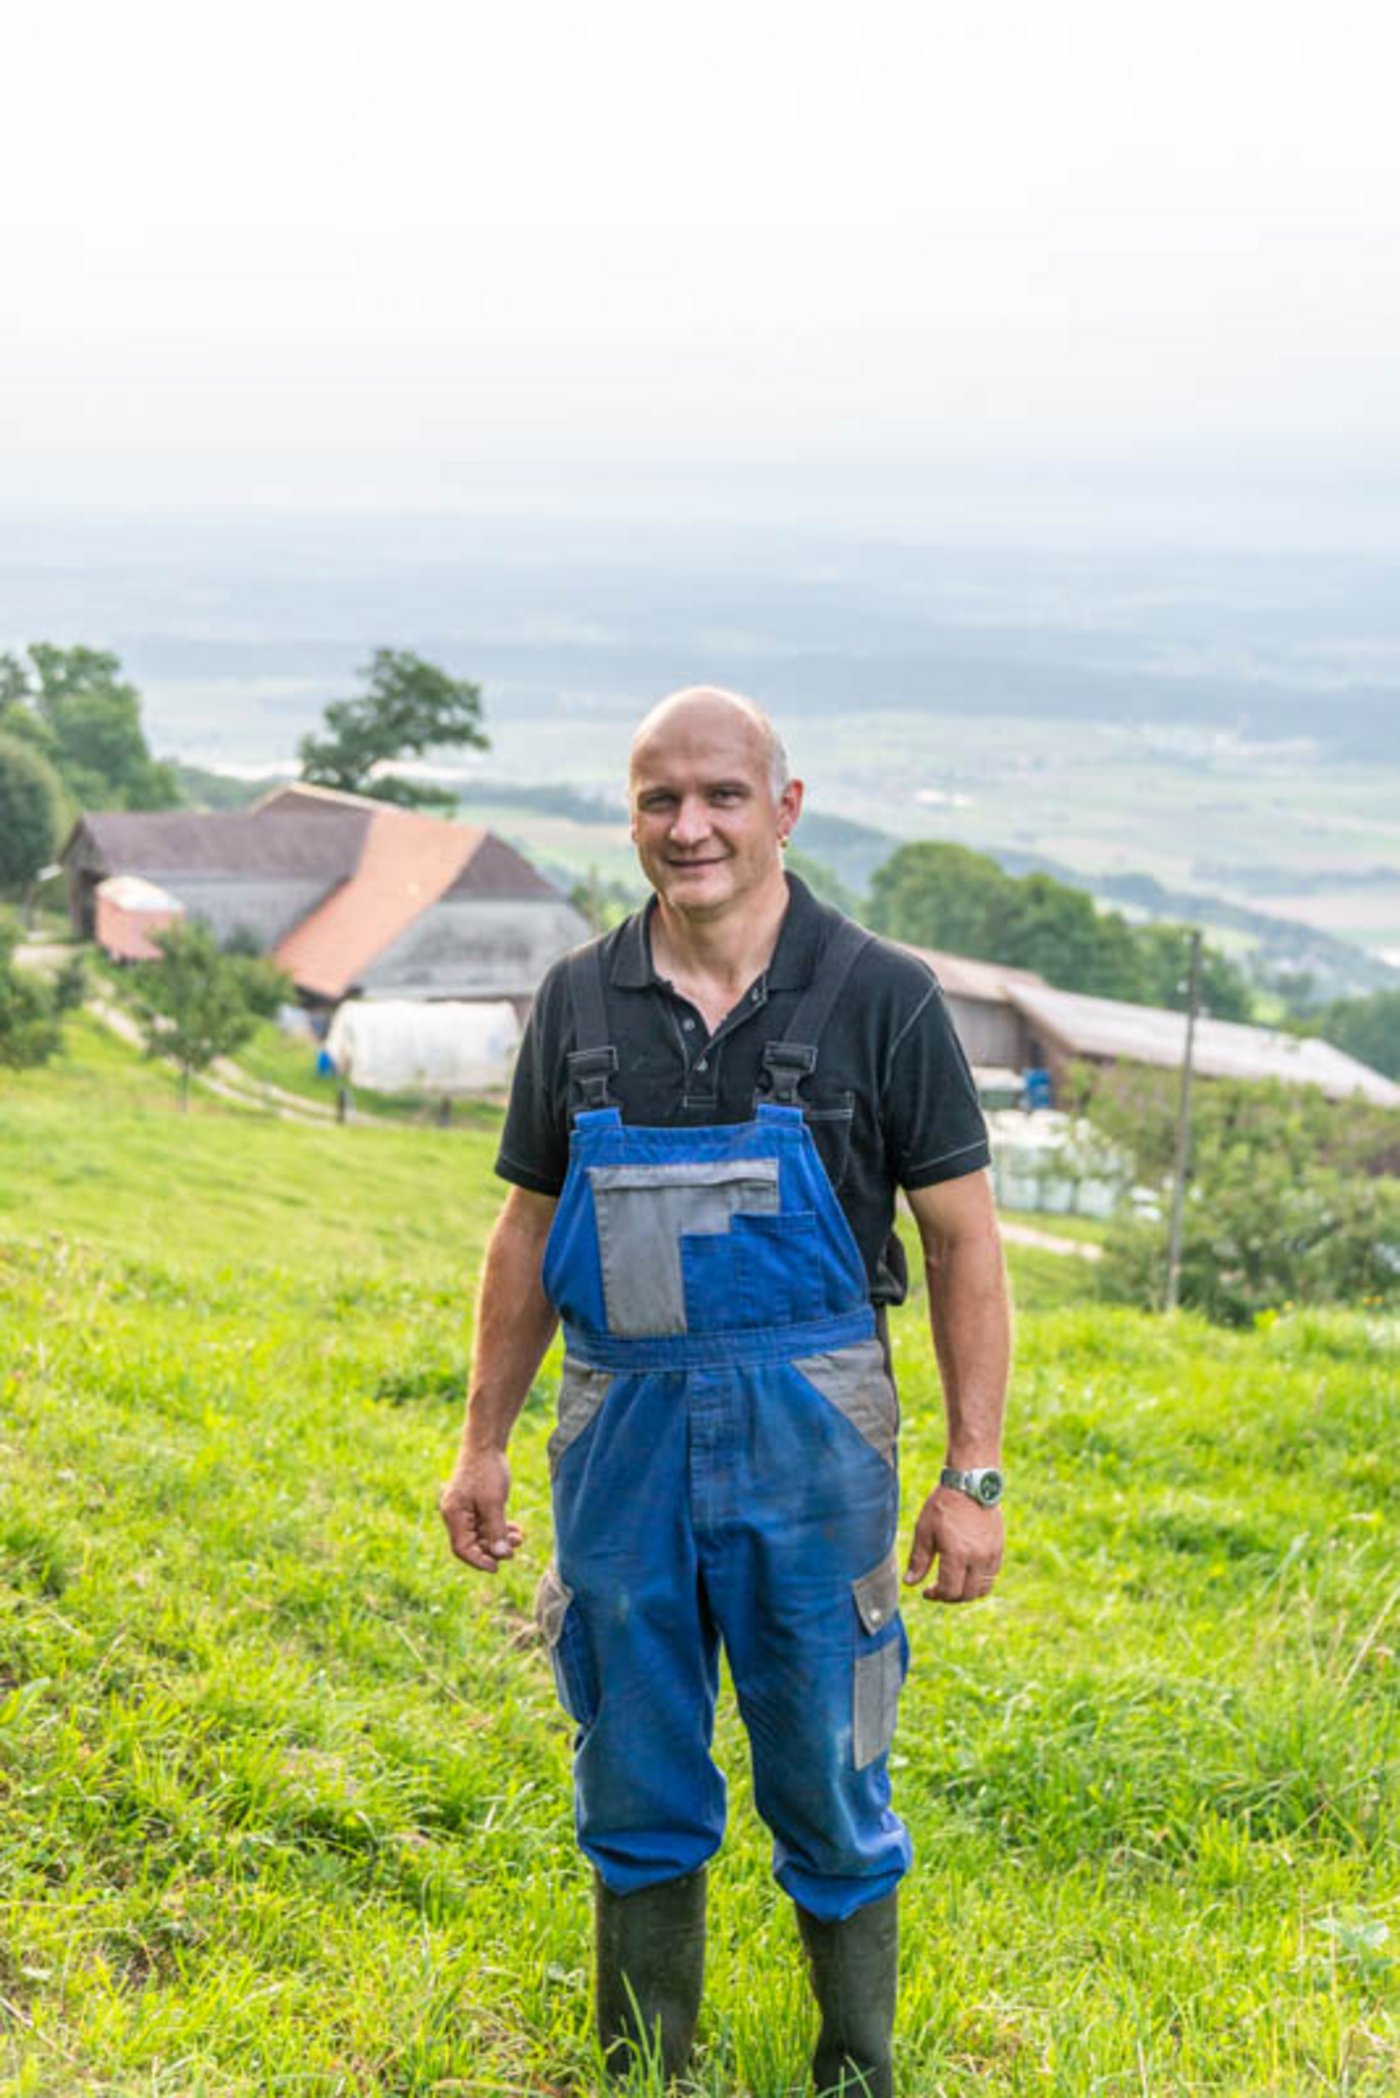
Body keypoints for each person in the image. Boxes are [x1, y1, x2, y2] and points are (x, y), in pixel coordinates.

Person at [440, 686, 1009, 2096]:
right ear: (632, 816)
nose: (687, 827)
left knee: (828, 1764)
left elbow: (964, 1239)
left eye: (720, 796)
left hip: (815, 1453)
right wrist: (482, 1443)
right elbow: (525, 1227)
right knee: (633, 1764)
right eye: (657, 800)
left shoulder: (882, 995)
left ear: (785, 807)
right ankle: (648, 2066)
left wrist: (971, 1472)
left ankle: (856, 2069)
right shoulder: (578, 998)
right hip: (618, 1440)